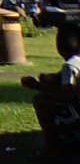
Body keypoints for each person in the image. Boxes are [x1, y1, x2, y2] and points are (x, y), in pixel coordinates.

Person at [21, 21, 80, 156]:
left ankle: (53, 147)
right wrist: (47, 79)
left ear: (59, 48)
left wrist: (36, 85)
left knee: (40, 101)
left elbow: (67, 93)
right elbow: (60, 79)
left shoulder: (70, 65)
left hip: (77, 114)